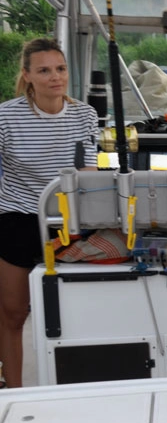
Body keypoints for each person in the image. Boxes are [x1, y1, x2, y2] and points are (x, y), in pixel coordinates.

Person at [0, 38, 98, 388]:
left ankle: (71, 387)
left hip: (68, 221)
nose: (55, 77)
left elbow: (89, 173)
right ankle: (13, 393)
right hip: (18, 218)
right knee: (13, 314)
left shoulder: (85, 114)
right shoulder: (6, 117)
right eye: (44, 71)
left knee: (73, 312)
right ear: (27, 76)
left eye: (60, 69)